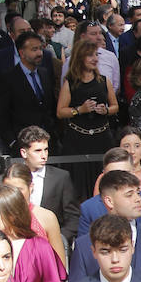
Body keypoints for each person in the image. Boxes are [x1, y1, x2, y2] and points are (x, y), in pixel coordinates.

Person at [56, 38, 117, 199]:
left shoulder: (104, 81)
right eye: (90, 55)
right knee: (79, 187)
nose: (94, 59)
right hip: (77, 141)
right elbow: (60, 112)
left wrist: (106, 110)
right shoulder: (70, 83)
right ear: (80, 57)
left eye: (96, 55)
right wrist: (79, 110)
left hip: (102, 139)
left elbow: (115, 106)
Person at [15, 125, 80, 246]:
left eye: (46, 149)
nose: (44, 155)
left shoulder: (61, 178)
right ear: (24, 153)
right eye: (38, 151)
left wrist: (57, 239)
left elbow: (73, 217)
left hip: (52, 244)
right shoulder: (12, 178)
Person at [0, 30, 57, 150]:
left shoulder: (44, 74)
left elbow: (51, 106)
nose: (40, 53)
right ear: (21, 53)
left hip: (48, 142)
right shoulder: (8, 78)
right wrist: (12, 142)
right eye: (34, 49)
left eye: (40, 48)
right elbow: (0, 115)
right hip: (22, 144)